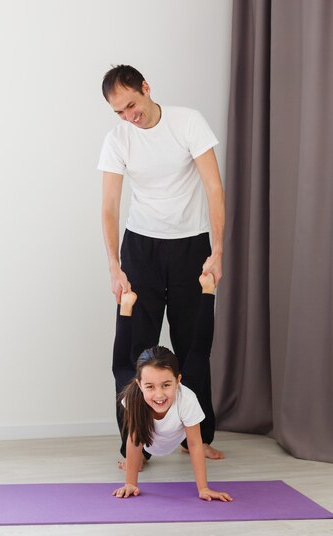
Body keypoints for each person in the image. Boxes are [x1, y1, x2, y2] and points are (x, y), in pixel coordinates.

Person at [98, 64, 225, 463]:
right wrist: (115, 265)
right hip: (141, 248)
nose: (128, 116)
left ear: (147, 89)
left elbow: (214, 188)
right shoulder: (118, 139)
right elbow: (110, 206)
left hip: (190, 246)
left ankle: (196, 439)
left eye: (131, 105)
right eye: (118, 111)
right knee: (138, 351)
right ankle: (134, 444)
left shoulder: (188, 122)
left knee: (193, 346)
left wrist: (217, 250)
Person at [112, 272, 232, 501]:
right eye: (150, 386)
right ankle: (125, 307)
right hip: (146, 440)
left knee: (199, 354)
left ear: (178, 380)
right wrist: (130, 483)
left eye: (166, 384)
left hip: (180, 407)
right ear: (140, 385)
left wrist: (203, 489)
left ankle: (209, 292)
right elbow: (135, 440)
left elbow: (196, 444)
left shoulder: (186, 397)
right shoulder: (136, 396)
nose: (158, 395)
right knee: (120, 369)